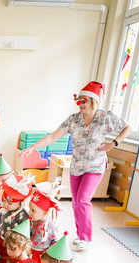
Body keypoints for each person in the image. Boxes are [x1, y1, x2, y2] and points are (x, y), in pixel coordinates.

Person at [21, 81, 131, 251]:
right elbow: (53, 137)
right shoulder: (74, 119)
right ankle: (81, 236)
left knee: (82, 200)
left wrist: (114, 143)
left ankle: (86, 238)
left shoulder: (105, 117)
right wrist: (33, 147)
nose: (80, 104)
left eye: (84, 101)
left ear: (94, 101)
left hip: (95, 166)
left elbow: (127, 128)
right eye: (78, 100)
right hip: (77, 166)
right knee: (76, 203)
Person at [0, 174, 32, 263]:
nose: (5, 204)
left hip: (13, 245)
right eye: (4, 201)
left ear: (20, 203)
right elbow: (2, 223)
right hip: (2, 239)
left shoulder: (23, 215)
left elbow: (26, 235)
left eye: (9, 203)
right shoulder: (6, 210)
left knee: (9, 260)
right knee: (0, 258)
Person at [28, 181, 60, 263]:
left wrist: (49, 254)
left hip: (42, 255)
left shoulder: (51, 226)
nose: (29, 213)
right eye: (30, 209)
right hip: (30, 251)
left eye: (33, 210)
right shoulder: (33, 221)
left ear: (45, 213)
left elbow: (56, 242)